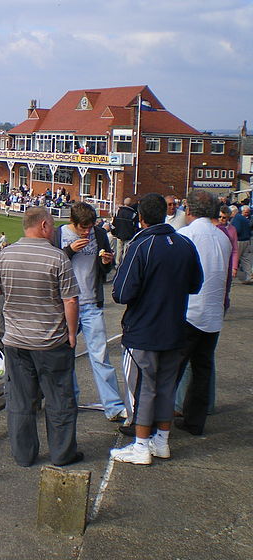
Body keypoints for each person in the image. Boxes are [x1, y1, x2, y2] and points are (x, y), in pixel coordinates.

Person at [0, 207, 82, 467]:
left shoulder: (5, 255)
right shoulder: (57, 258)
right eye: (51, 225)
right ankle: (62, 454)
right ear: (44, 226)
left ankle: (24, 455)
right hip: (50, 341)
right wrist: (72, 333)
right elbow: (70, 300)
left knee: (20, 400)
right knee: (59, 398)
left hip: (16, 341)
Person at [109, 193, 202, 465]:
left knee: (143, 390)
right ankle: (161, 441)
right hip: (175, 327)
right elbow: (195, 284)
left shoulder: (142, 245)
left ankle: (140, 446)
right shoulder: (184, 243)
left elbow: (122, 293)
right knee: (165, 388)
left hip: (144, 331)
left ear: (141, 218)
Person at [54, 201, 126, 422]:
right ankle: (70, 401)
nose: (87, 231)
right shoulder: (59, 235)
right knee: (66, 356)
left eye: (90, 227)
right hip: (66, 304)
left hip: (91, 302)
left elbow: (104, 270)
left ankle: (113, 406)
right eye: (82, 227)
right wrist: (69, 251)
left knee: (101, 355)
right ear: (72, 222)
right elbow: (51, 266)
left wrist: (107, 262)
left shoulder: (99, 235)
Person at [174, 191, 231, 436]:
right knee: (202, 369)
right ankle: (194, 421)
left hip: (189, 312)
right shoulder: (223, 238)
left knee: (171, 370)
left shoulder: (185, 235)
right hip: (213, 314)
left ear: (189, 210)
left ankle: (156, 422)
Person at [111, 197, 139, 267]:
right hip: (129, 235)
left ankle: (117, 264)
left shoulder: (118, 211)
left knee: (119, 249)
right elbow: (135, 226)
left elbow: (114, 223)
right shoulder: (133, 214)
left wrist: (114, 232)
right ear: (131, 204)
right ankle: (124, 264)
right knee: (126, 251)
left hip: (119, 234)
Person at [230, 205, 252, 283]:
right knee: (246, 260)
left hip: (239, 241)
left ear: (233, 212)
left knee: (233, 259)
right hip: (247, 240)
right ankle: (249, 276)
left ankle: (230, 277)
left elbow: (237, 230)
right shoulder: (244, 219)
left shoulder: (236, 218)